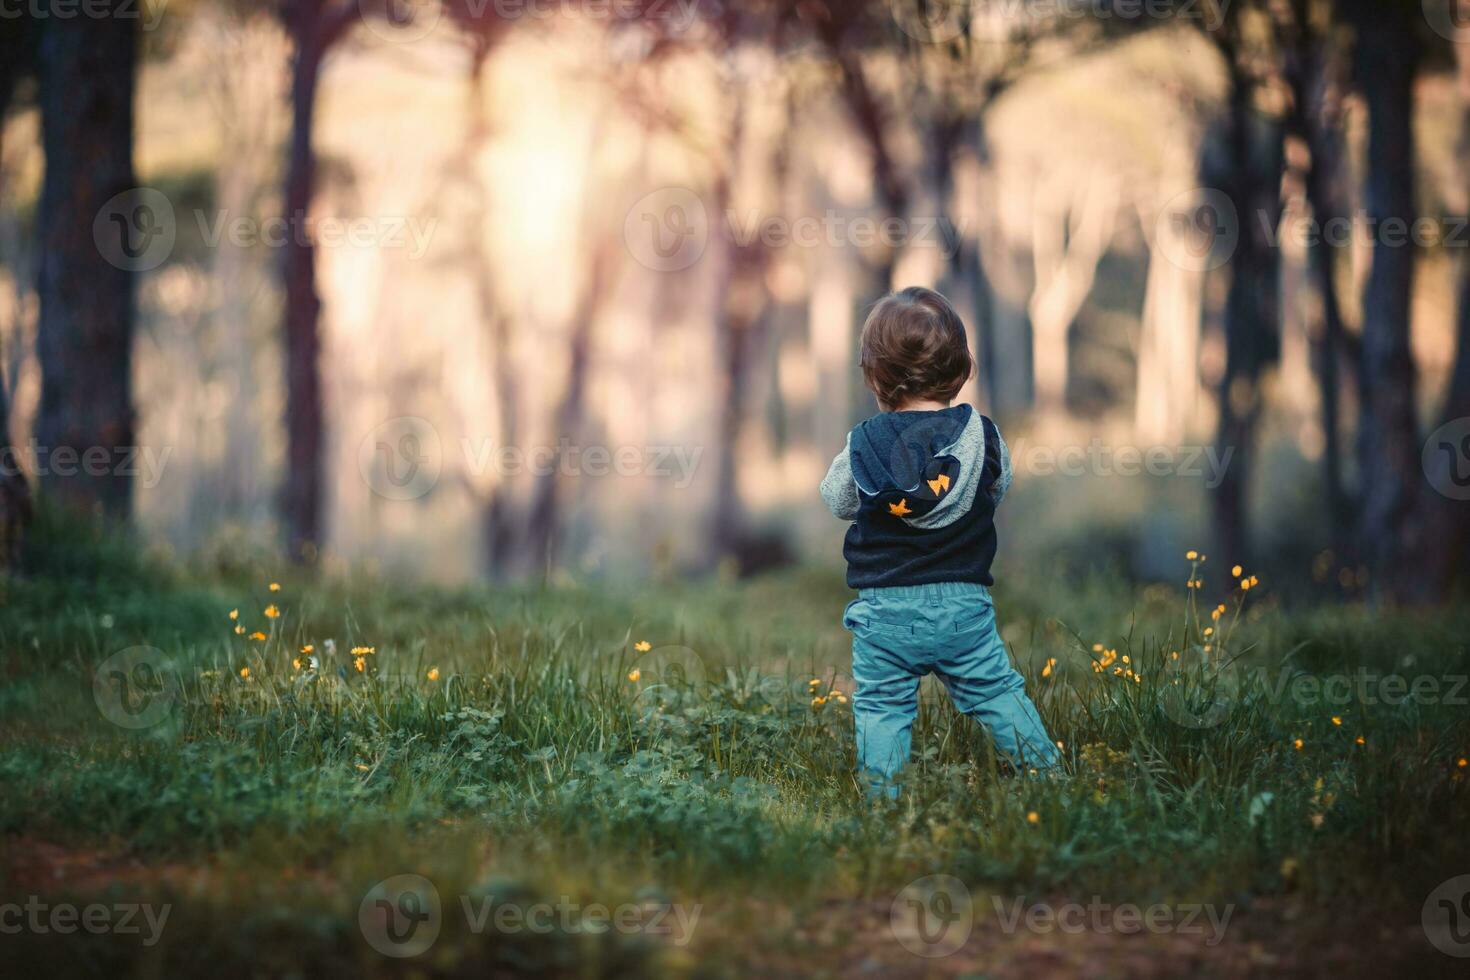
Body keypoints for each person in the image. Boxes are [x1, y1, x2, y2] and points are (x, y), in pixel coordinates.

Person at [820, 286, 1060, 797]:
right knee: (996, 690)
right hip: (963, 607)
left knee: (882, 706)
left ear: (874, 374)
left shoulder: (864, 441)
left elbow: (838, 500)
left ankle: (883, 804)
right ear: (962, 367)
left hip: (885, 612)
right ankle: (1050, 777)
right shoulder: (983, 436)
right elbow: (998, 487)